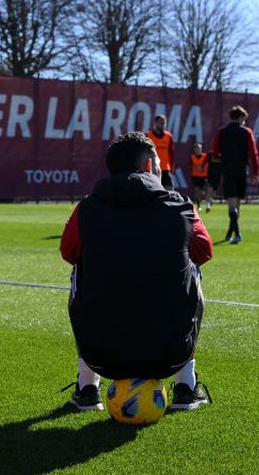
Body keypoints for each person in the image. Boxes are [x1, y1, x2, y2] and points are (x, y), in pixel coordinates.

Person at [61, 132, 213, 411]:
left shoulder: (86, 208)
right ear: (147, 166)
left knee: (78, 270)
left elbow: (68, 253)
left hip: (102, 356)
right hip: (170, 354)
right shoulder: (181, 205)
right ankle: (185, 386)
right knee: (193, 267)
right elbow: (204, 252)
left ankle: (87, 387)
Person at [212, 106, 259, 244]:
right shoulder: (247, 132)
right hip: (241, 170)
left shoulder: (221, 132)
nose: (245, 121)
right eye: (244, 118)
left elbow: (215, 153)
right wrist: (256, 172)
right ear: (240, 117)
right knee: (237, 203)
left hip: (227, 170)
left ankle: (230, 232)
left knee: (232, 204)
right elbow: (253, 153)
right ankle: (237, 233)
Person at [145, 115, 176, 190]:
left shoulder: (168, 136)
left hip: (165, 169)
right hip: (152, 169)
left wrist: (172, 169)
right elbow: (144, 154)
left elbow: (171, 154)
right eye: (161, 123)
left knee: (170, 190)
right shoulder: (148, 135)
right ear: (155, 123)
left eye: (164, 124)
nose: (163, 125)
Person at [189, 143, 211, 211]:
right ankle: (199, 205)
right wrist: (196, 168)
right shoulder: (192, 157)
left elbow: (208, 165)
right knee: (196, 190)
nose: (198, 150)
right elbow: (190, 166)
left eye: (199, 148)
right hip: (195, 176)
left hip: (203, 176)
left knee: (202, 192)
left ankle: (205, 201)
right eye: (196, 148)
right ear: (194, 150)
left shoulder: (205, 156)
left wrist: (202, 168)